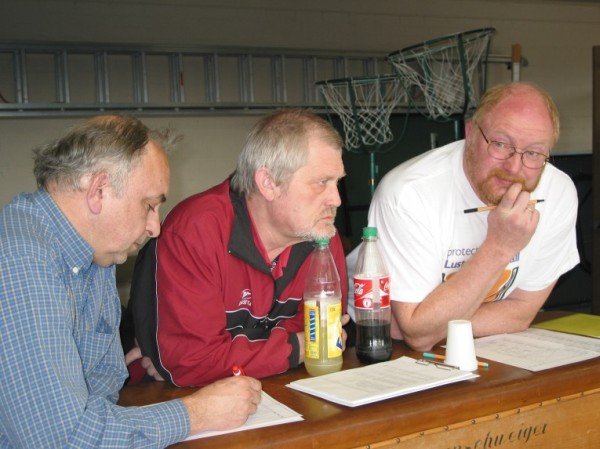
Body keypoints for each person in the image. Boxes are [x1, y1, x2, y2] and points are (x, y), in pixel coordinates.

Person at [0, 115, 261, 448]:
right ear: (99, 191)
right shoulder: (20, 259)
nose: (155, 227)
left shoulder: (95, 251)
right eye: (149, 205)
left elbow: (104, 384)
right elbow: (62, 440)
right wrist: (197, 413)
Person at [347, 82, 579, 351]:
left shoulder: (557, 192)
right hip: (371, 342)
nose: (514, 167)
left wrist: (433, 323)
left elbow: (522, 313)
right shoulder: (408, 193)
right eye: (500, 144)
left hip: (484, 342)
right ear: (470, 132)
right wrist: (500, 247)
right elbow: (419, 338)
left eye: (533, 153)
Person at [129, 108, 349, 387]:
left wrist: (226, 357)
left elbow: (324, 340)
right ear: (268, 183)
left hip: (277, 390)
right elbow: (193, 362)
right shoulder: (195, 232)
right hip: (165, 398)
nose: (336, 200)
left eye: (337, 182)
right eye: (322, 183)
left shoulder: (321, 235)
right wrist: (296, 348)